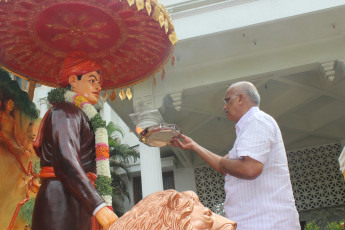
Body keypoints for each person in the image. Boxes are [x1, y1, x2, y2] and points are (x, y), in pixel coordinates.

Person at [171, 81, 300, 229]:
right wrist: (194, 146)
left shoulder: (257, 121)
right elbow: (223, 165)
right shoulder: (249, 127)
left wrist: (223, 164)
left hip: (267, 221)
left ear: (240, 98)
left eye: (228, 100)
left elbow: (249, 169)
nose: (224, 107)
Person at [32, 52, 118, 230]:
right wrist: (99, 206)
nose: (98, 87)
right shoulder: (64, 112)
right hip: (59, 199)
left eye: (99, 82)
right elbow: (66, 161)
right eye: (92, 80)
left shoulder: (82, 115)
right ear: (72, 80)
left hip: (80, 199)